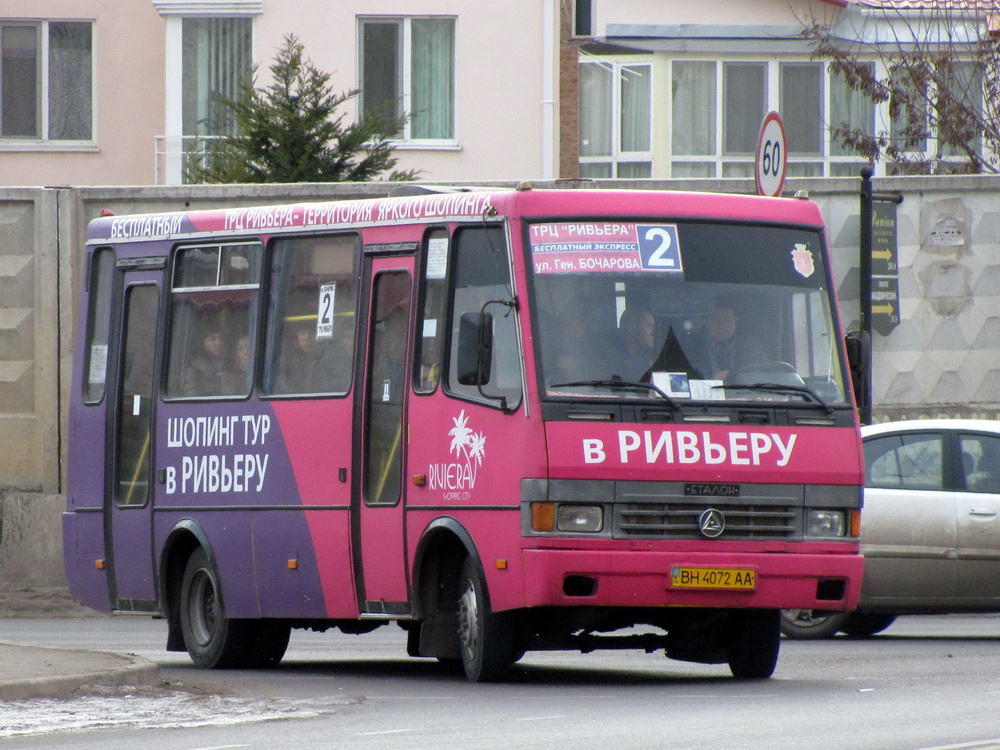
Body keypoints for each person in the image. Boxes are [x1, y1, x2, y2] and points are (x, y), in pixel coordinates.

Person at [689, 302, 766, 381]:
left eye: (727, 320)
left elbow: (762, 376)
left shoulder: (752, 347)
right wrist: (711, 379)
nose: (722, 326)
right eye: (716, 320)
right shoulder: (691, 348)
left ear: (735, 323)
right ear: (706, 322)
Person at [608, 306, 658, 382]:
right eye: (649, 326)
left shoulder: (647, 359)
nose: (653, 332)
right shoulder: (610, 360)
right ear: (631, 329)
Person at [183, 329, 226, 396]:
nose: (219, 343)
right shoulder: (195, 367)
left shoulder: (231, 364)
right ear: (203, 343)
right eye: (213, 339)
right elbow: (191, 394)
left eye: (221, 338)